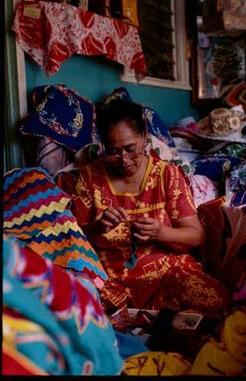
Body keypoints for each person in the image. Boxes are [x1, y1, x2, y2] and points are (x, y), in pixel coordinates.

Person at [57, 100, 231, 317]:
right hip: (111, 278)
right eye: (113, 151)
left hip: (166, 272)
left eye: (130, 149)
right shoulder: (91, 177)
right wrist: (98, 227)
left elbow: (196, 237)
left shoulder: (167, 174)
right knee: (73, 308)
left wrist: (162, 232)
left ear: (144, 138)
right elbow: (73, 239)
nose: (123, 160)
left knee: (217, 300)